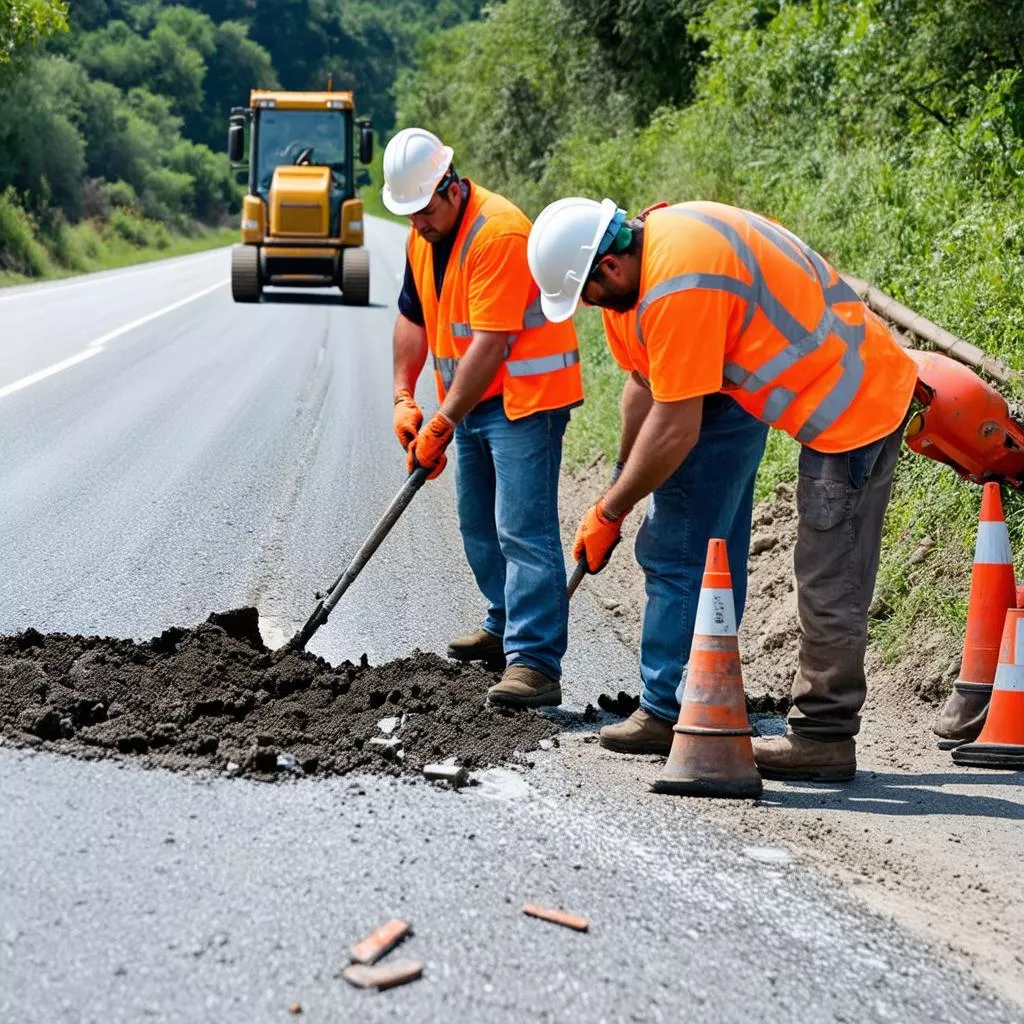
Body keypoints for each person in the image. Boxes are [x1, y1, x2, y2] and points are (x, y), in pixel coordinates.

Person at [527, 197, 917, 780]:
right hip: (760, 386)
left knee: (828, 578)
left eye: (586, 295)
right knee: (697, 548)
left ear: (607, 266)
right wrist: (617, 486)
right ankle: (683, 700)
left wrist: (612, 510)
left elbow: (675, 426)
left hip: (854, 402)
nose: (586, 306)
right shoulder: (641, 269)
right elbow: (644, 386)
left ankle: (823, 736)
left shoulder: (679, 284)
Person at [383, 127, 584, 709]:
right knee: (478, 523)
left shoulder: (499, 233)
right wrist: (403, 396)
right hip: (470, 401)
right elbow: (412, 317)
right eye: (409, 213)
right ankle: (504, 624)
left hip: (524, 400)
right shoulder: (422, 236)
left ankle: (535, 663)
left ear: (450, 187)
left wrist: (441, 423)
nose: (417, 223)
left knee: (523, 529)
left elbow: (491, 345)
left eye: (424, 211)